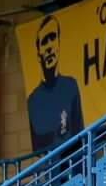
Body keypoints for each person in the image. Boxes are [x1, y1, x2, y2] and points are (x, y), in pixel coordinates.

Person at [26, 17, 85, 145]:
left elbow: (80, 132)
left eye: (52, 38)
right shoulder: (32, 102)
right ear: (38, 54)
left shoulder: (71, 86)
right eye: (44, 42)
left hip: (74, 160)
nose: (49, 47)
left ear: (59, 43)